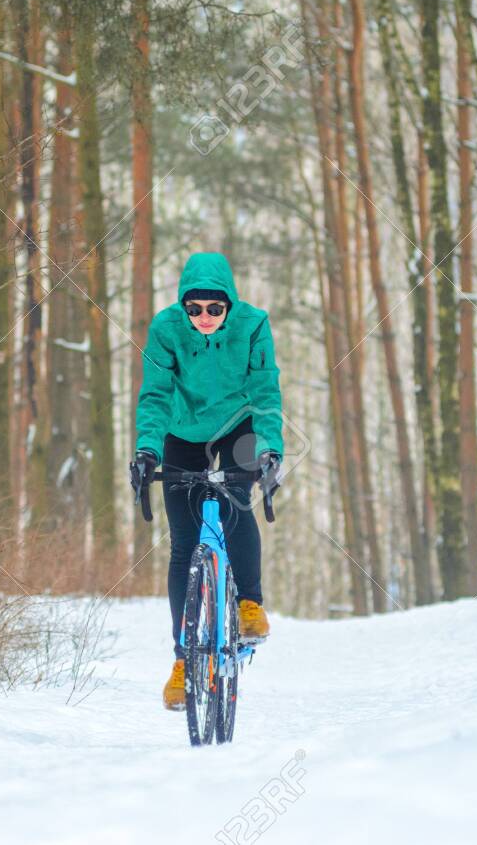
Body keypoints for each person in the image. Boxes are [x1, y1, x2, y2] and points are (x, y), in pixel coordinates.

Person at [130, 252, 283, 711]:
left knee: (236, 501)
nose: (203, 318)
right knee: (183, 545)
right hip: (184, 430)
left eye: (214, 309)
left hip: (239, 423)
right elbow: (155, 395)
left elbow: (266, 390)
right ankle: (183, 660)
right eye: (193, 309)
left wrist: (269, 449)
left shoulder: (253, 326)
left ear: (229, 305)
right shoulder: (166, 328)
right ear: (183, 306)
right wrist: (146, 450)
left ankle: (249, 604)